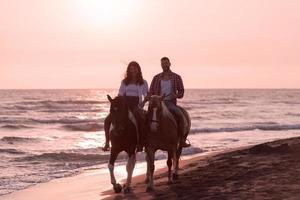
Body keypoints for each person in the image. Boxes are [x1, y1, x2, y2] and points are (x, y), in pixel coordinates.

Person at [102, 61, 148, 152]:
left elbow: (146, 95)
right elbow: (120, 94)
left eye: (135, 68)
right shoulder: (124, 82)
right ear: (129, 70)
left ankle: (141, 143)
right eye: (131, 68)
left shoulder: (143, 82)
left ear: (138, 69)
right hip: (124, 105)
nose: (133, 70)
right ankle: (107, 142)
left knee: (142, 120)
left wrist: (143, 103)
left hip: (136, 105)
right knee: (107, 120)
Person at [148, 57, 190, 148]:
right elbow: (150, 91)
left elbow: (181, 91)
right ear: (161, 65)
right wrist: (149, 98)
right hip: (158, 103)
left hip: (170, 102)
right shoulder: (156, 78)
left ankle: (182, 139)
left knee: (180, 114)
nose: (164, 65)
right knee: (147, 116)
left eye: (166, 63)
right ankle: (145, 139)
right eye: (162, 64)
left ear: (170, 64)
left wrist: (176, 95)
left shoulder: (176, 77)